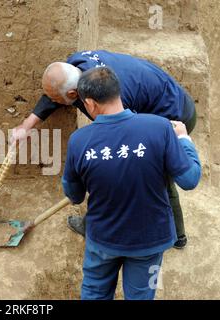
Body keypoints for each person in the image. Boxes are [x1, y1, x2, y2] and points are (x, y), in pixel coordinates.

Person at [12, 50, 197, 249]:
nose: (56, 103)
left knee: (152, 175)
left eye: (59, 100)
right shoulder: (76, 65)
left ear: (78, 96)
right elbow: (55, 92)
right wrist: (27, 125)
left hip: (174, 116)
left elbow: (128, 141)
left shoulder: (117, 101)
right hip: (157, 100)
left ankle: (176, 236)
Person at [62, 67, 201, 300]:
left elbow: (74, 195)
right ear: (118, 92)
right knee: (142, 295)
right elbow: (190, 180)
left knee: (94, 293)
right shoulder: (160, 128)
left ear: (90, 103)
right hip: (151, 242)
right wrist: (184, 140)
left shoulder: (79, 141)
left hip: (102, 241)